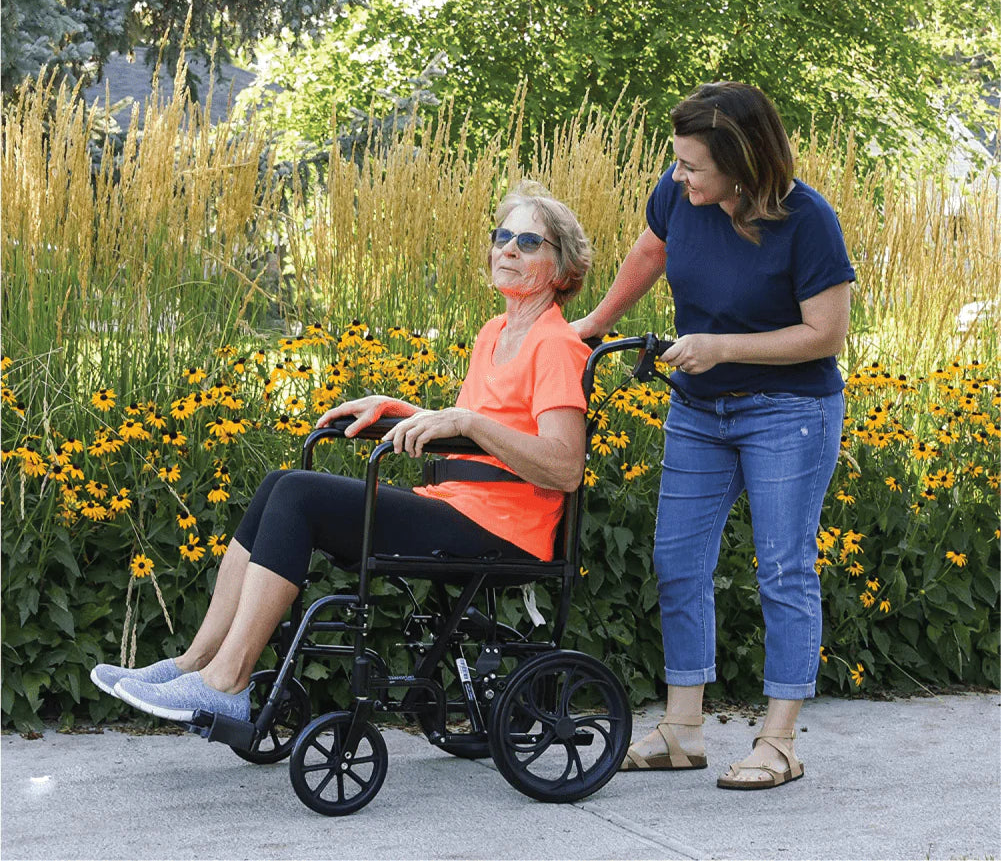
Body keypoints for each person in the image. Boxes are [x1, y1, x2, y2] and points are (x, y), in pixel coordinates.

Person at [91, 184, 593, 723]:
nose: (507, 249)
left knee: (301, 494)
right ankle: (198, 662)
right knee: (278, 485)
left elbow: (564, 466)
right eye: (501, 237)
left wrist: (464, 419)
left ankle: (227, 681)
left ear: (561, 269)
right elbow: (472, 432)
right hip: (455, 503)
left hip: (503, 529)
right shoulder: (494, 332)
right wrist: (396, 407)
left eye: (527, 241)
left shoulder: (557, 345)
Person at [573, 82, 855, 790]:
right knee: (676, 562)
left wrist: (722, 346)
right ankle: (682, 729)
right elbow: (647, 254)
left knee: (782, 568)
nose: (678, 176)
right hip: (700, 409)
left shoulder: (806, 219)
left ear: (741, 162)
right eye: (676, 161)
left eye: (693, 165)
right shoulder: (677, 199)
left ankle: (780, 740)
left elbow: (824, 334)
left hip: (786, 411)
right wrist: (594, 323)